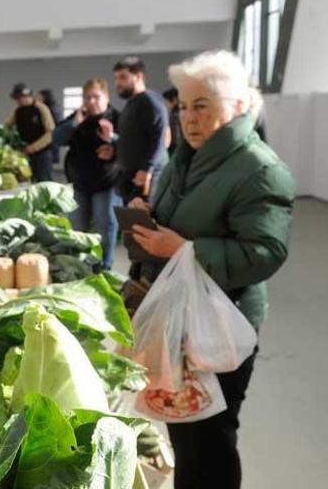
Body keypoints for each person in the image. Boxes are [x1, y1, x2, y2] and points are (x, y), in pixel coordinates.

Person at [126, 50, 295, 489]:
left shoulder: (259, 170)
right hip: (178, 318)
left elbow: (266, 251)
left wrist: (185, 249)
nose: (188, 117)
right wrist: (149, 214)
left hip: (220, 322)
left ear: (239, 105)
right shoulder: (184, 158)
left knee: (213, 437)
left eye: (202, 105)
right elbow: (178, 216)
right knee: (183, 429)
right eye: (183, 106)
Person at [52, 78, 121, 269]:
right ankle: (79, 268)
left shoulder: (116, 117)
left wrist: (113, 141)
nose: (91, 101)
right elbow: (56, 139)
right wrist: (73, 124)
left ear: (106, 97)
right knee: (76, 230)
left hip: (106, 184)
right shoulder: (78, 118)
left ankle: (104, 268)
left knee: (104, 228)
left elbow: (132, 147)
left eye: (96, 97)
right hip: (79, 184)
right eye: (87, 97)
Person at [111, 56, 170, 203]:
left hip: (145, 178)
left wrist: (146, 169)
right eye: (116, 78)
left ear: (139, 76)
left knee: (142, 222)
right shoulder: (132, 103)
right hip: (130, 176)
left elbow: (160, 138)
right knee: (130, 223)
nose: (118, 83)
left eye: (123, 77)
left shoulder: (150, 102)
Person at [4, 83, 56, 182]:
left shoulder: (41, 108)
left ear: (26, 96)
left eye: (19, 98)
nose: (17, 101)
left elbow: (50, 133)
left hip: (42, 154)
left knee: (44, 182)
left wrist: (33, 148)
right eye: (16, 99)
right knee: (29, 183)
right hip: (26, 154)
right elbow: (7, 125)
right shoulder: (17, 111)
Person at [37, 88, 64, 164]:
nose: (37, 99)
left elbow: (51, 126)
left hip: (50, 139)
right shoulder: (55, 107)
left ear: (45, 97)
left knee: (47, 164)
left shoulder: (49, 109)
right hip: (53, 139)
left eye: (39, 97)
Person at [162, 87, 182, 156]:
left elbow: (176, 138)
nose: (166, 105)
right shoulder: (183, 113)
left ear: (174, 100)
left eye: (167, 102)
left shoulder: (174, 116)